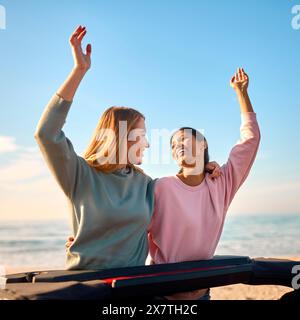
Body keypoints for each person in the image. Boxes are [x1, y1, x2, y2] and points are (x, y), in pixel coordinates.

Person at [35, 25, 219, 270]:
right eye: (142, 135)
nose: (148, 143)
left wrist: (205, 166)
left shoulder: (146, 185)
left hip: (133, 289)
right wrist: (80, 70)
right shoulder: (80, 174)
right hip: (88, 287)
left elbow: (180, 214)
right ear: (121, 136)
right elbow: (47, 133)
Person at [147, 68, 261, 300]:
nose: (177, 145)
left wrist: (241, 93)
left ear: (203, 144)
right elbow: (131, 227)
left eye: (184, 139)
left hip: (202, 294)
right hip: (159, 294)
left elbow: (250, 140)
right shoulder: (160, 187)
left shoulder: (221, 184)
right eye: (172, 144)